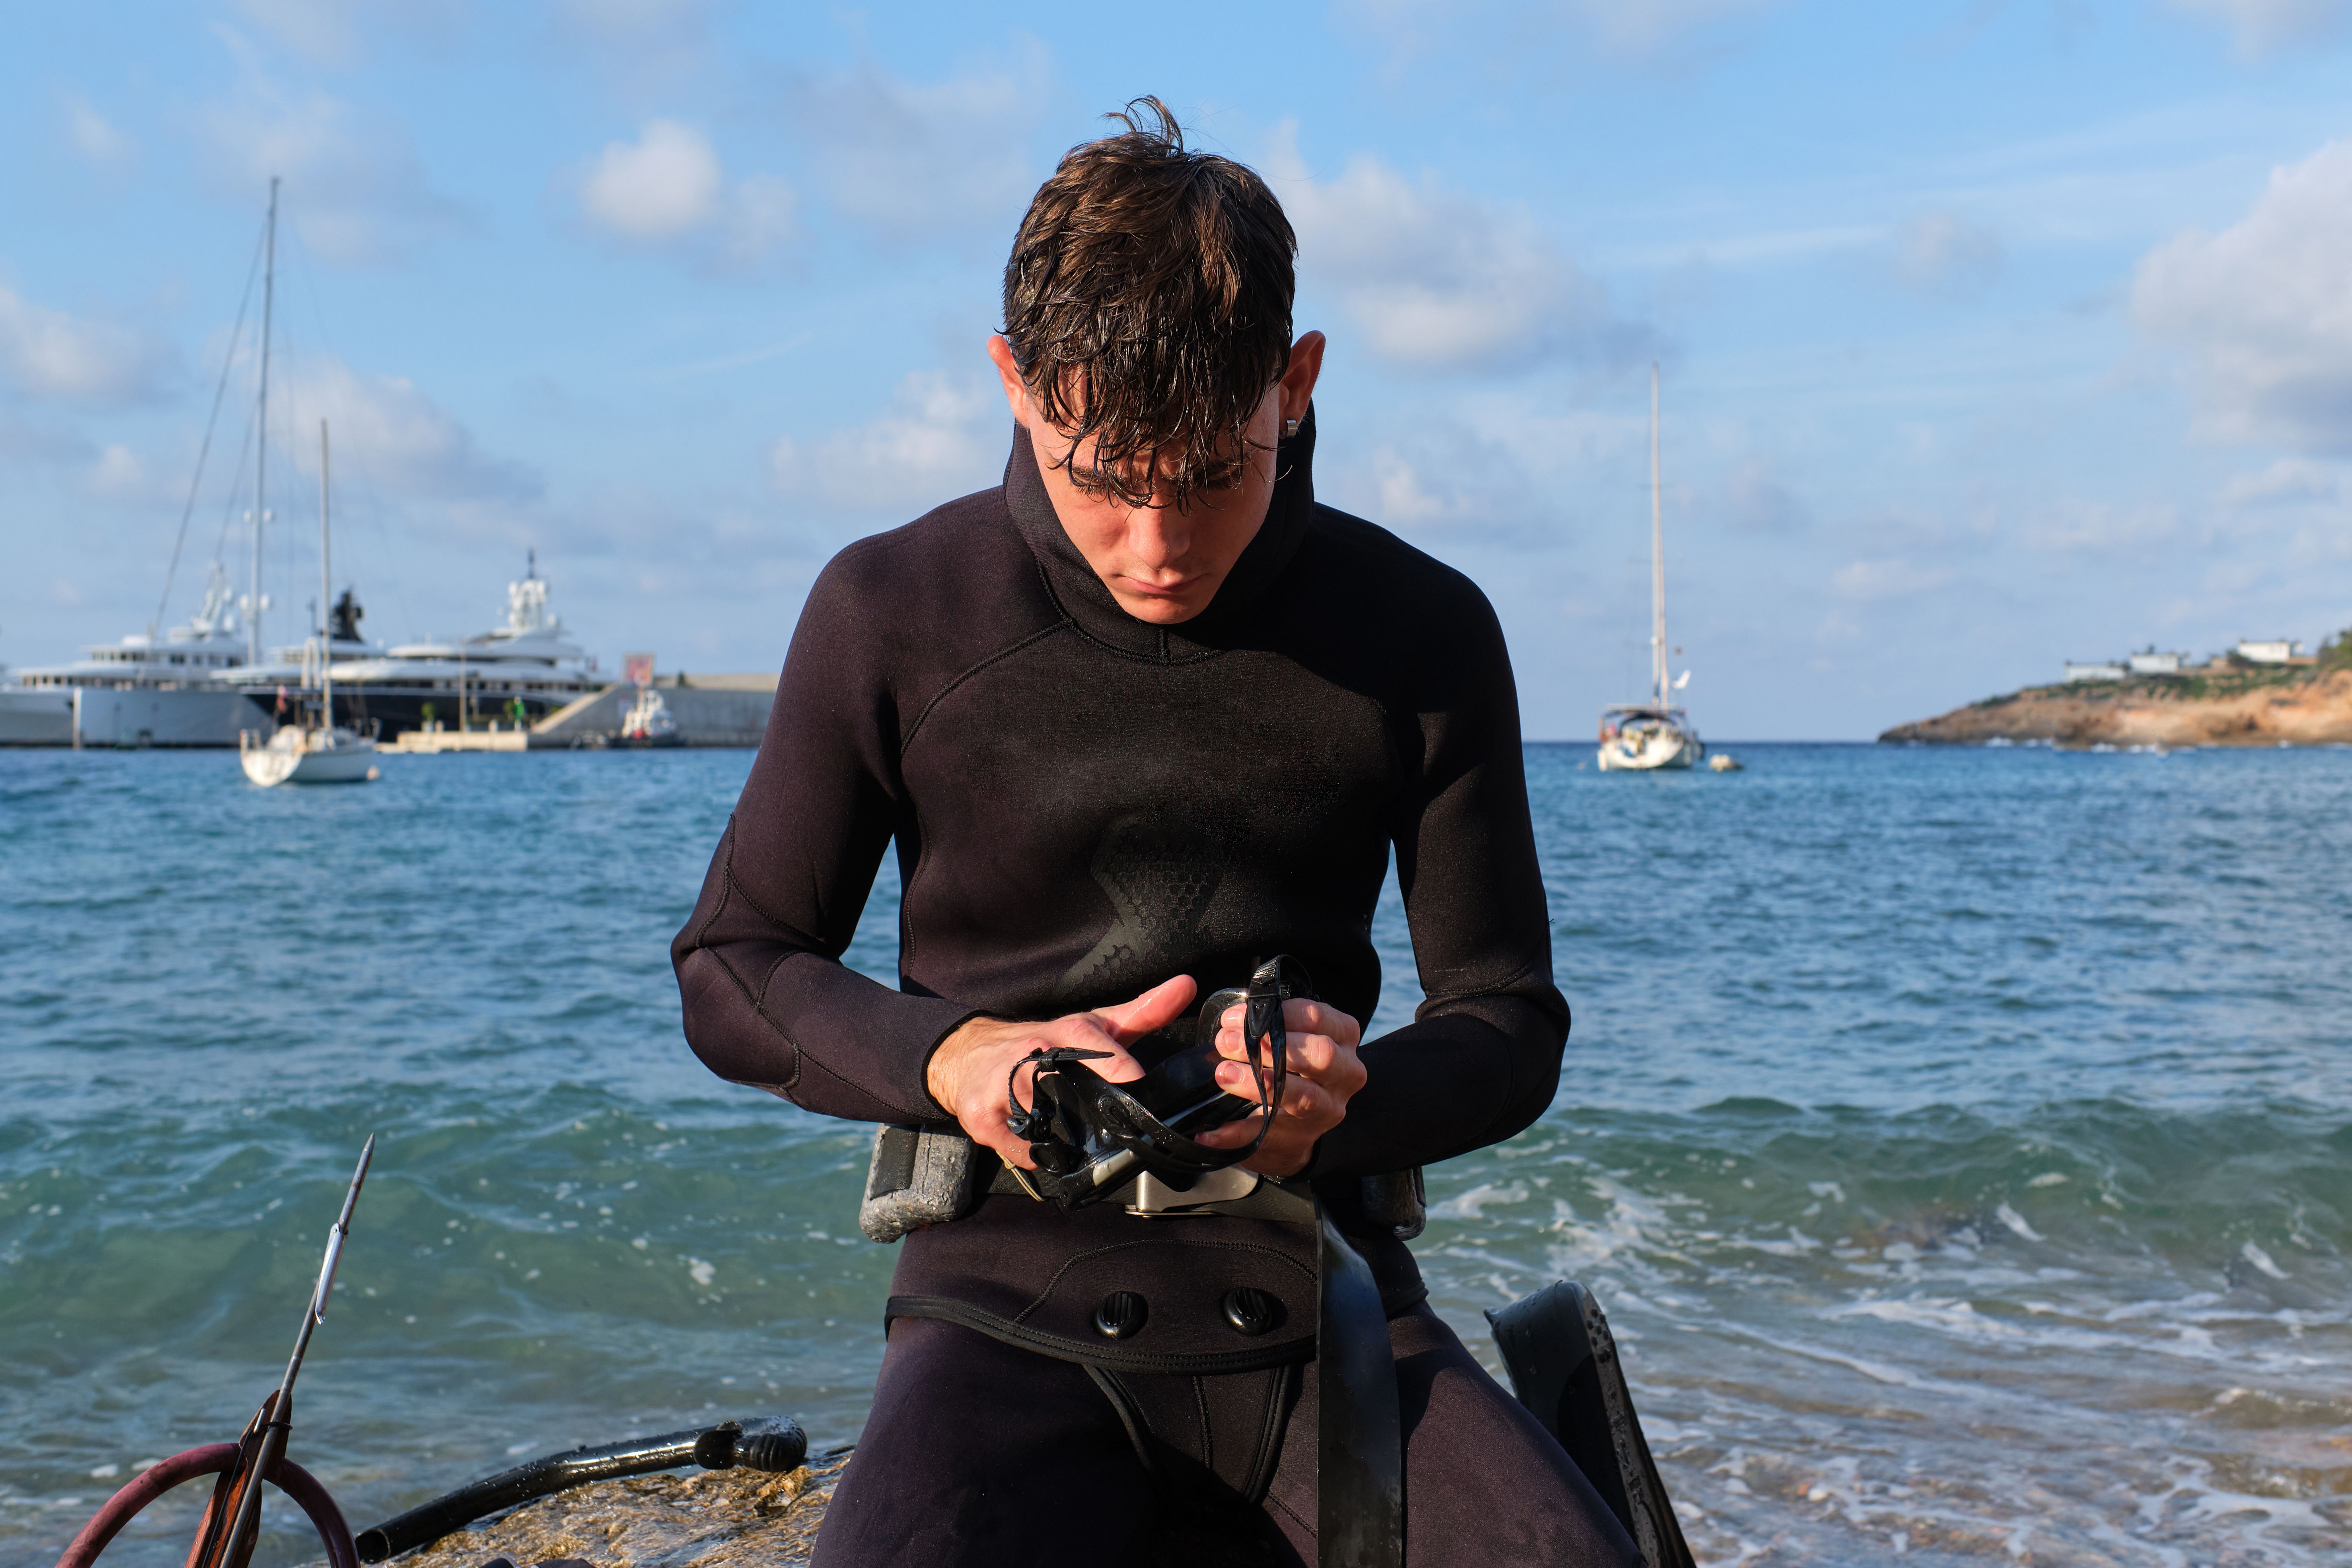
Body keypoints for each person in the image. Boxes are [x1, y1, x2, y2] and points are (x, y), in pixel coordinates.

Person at [672, 99, 1636, 1568]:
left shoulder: (1424, 631)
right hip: (1000, 1281)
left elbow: (1511, 1020)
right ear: (1013, 383)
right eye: (1104, 478)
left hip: (1317, 1275)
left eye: (1209, 476)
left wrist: (1343, 1093)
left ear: (1294, 386)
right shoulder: (891, 609)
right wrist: (957, 1057)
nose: (1157, 545)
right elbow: (735, 966)